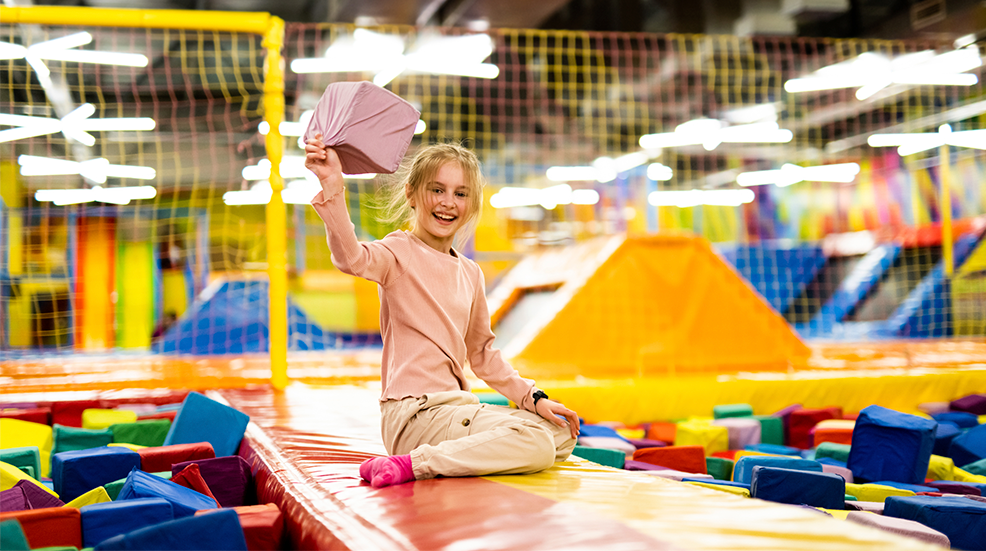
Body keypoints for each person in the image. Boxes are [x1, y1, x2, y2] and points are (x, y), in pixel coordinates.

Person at [305, 133, 580, 488]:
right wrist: (332, 184)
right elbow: (351, 258)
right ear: (411, 193)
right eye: (437, 190)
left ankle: (449, 453)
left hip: (455, 409)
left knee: (560, 435)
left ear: (471, 204)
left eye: (460, 193)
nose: (448, 203)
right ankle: (412, 464)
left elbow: (482, 353)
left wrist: (533, 398)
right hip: (416, 413)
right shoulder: (398, 253)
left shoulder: (470, 273)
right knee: (537, 443)